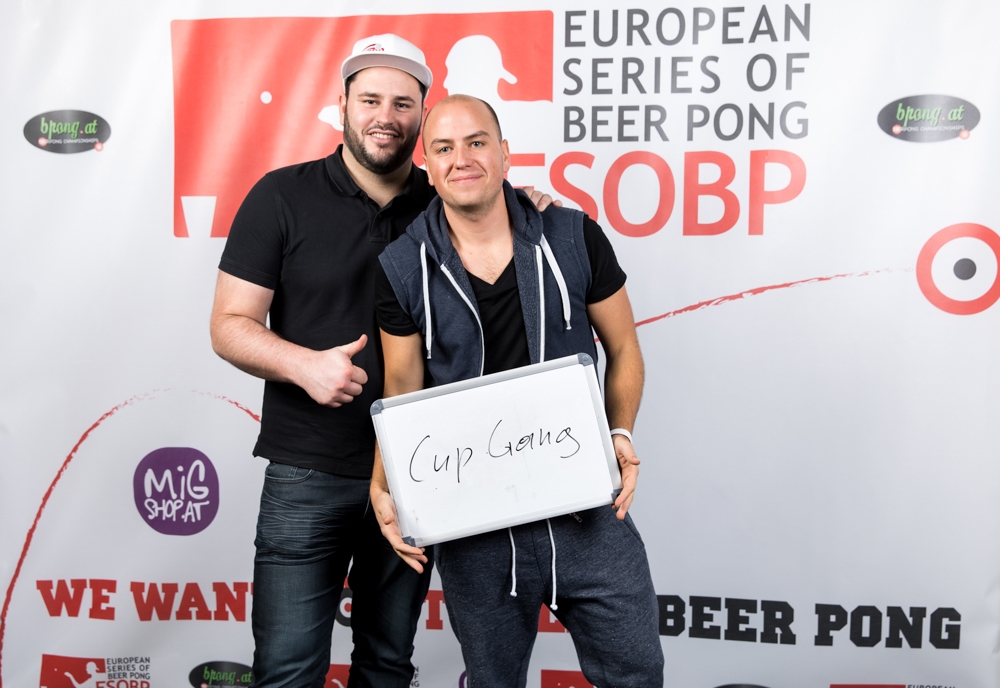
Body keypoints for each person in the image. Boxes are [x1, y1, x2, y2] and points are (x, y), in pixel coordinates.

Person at [209, 35, 554, 688]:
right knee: (285, 671)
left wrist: (529, 207)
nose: (385, 117)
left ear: (423, 115)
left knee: (388, 664)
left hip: (419, 472)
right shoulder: (280, 196)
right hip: (308, 469)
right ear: (342, 105)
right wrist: (303, 365)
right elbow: (228, 325)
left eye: (402, 104)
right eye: (370, 100)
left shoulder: (450, 197)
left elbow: (518, 254)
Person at [371, 95, 664, 687]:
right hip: (475, 530)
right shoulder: (402, 267)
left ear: (504, 154)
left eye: (476, 142)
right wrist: (383, 482)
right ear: (427, 167)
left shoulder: (573, 234)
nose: (462, 159)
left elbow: (624, 347)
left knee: (637, 673)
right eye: (444, 148)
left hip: (588, 509)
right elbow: (401, 389)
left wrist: (620, 431)